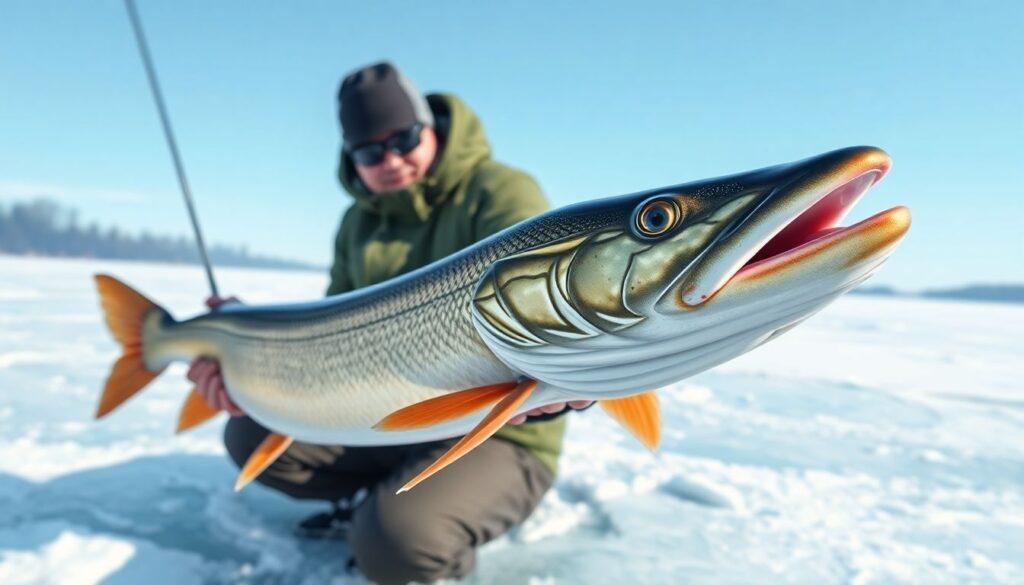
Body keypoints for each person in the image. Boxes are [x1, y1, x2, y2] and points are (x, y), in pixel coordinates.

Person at [187, 62, 590, 584]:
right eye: (370, 152)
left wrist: (578, 376)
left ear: (430, 127)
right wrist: (249, 340)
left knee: (395, 543)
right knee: (251, 437)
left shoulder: (499, 192)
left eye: (403, 139)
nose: (392, 161)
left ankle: (416, 536)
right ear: (351, 159)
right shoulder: (356, 223)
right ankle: (374, 505)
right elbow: (332, 332)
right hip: (390, 413)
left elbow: (552, 299)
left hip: (502, 429)